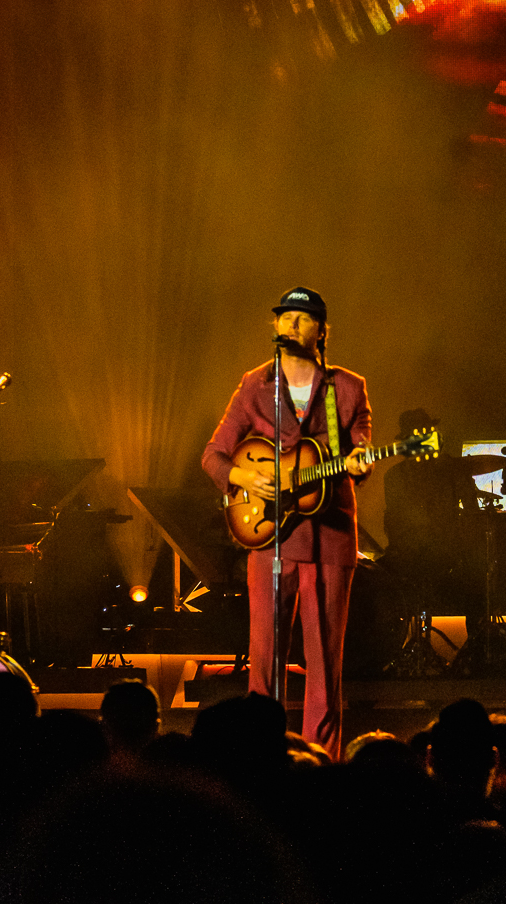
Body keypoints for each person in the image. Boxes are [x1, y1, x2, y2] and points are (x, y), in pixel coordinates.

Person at [202, 286, 371, 759]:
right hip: (270, 536)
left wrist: (360, 461)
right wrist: (244, 477)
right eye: (285, 318)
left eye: (303, 318)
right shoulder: (254, 384)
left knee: (325, 664)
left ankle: (322, 762)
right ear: (276, 327)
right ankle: (260, 754)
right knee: (265, 658)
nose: (292, 325)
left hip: (331, 537)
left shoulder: (347, 386)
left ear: (322, 330)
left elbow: (360, 446)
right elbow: (213, 455)